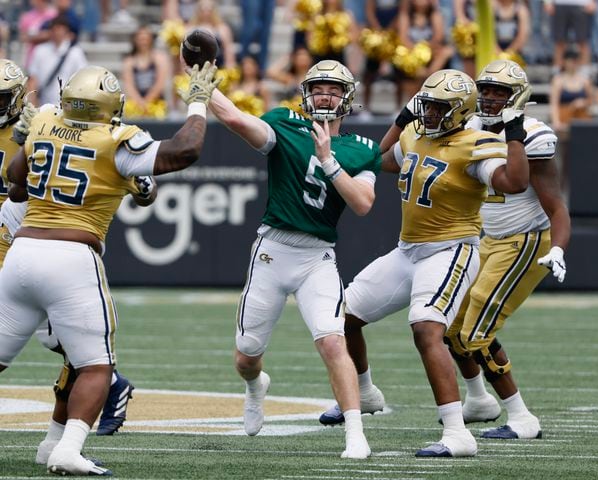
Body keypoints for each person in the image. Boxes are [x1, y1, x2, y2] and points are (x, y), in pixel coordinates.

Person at [0, 61, 220, 476]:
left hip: (21, 253)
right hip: (71, 257)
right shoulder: (119, 138)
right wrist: (197, 103)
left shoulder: (45, 118)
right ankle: (68, 448)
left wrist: (33, 143)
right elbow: (184, 151)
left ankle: (53, 444)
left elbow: (15, 182)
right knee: (97, 366)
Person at [319, 68, 532, 457]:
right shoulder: (414, 132)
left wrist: (514, 131)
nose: (428, 113)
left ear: (459, 111)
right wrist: (402, 118)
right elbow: (380, 159)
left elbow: (513, 182)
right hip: (408, 250)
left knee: (426, 329)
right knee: (343, 316)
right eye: (426, 105)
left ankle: (457, 435)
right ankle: (365, 394)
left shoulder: (475, 144)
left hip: (451, 250)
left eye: (437, 107)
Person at [207, 59, 381, 459]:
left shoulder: (360, 149)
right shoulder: (286, 123)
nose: (326, 94)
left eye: (334, 89)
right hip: (272, 251)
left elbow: (363, 204)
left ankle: (355, 432)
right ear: (306, 92)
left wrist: (329, 160)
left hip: (317, 257)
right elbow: (235, 119)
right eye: (319, 87)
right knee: (246, 356)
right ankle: (255, 387)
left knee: (333, 342)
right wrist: (202, 82)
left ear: (347, 98)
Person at [443, 59, 571, 440]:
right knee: (450, 328)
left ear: (518, 96)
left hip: (526, 240)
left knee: (475, 333)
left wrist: (559, 248)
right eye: (487, 90)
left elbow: (556, 206)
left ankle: (522, 419)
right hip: (485, 239)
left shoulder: (534, 135)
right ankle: (479, 400)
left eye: (500, 91)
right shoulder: (469, 126)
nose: (491, 98)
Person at [26, 14, 88, 107]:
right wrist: (32, 103)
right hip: (43, 105)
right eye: (54, 29)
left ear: (66, 31)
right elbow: (33, 79)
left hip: (67, 106)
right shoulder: (40, 50)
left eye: (60, 29)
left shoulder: (76, 52)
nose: (56, 32)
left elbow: (82, 79)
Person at [121, 25, 171, 118]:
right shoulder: (129, 61)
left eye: (146, 38)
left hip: (156, 104)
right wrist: (140, 103)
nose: (143, 41)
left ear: (151, 39)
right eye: (140, 38)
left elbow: (160, 83)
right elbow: (129, 85)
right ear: (135, 40)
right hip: (136, 105)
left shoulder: (159, 58)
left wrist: (147, 102)